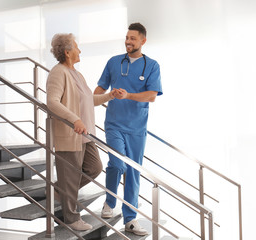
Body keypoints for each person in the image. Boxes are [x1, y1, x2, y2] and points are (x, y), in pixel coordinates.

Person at [94, 23, 163, 235]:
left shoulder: (151, 65)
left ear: (143, 41)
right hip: (114, 123)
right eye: (127, 37)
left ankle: (130, 219)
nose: (128, 41)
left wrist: (128, 95)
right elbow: (97, 91)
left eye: (133, 38)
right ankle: (109, 201)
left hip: (137, 128)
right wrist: (91, 99)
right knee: (117, 163)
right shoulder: (114, 62)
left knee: (133, 172)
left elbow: (151, 95)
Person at [46, 33, 116, 231]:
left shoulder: (78, 74)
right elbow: (52, 102)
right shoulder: (58, 72)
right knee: (69, 178)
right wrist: (74, 119)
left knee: (94, 168)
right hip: (70, 134)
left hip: (86, 135)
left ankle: (58, 190)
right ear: (68, 52)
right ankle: (71, 219)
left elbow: (89, 100)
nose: (80, 50)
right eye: (77, 47)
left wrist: (110, 95)